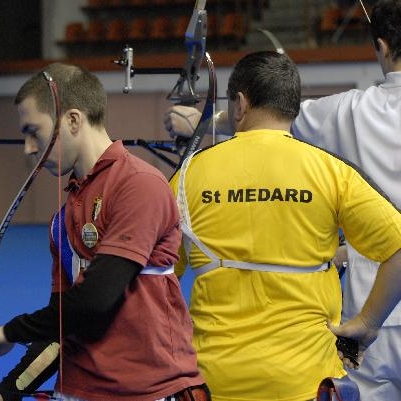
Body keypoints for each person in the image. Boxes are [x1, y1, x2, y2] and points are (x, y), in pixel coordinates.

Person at [164, 1, 401, 398]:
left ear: (380, 45)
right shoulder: (330, 166)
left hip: (371, 305)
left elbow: (275, 114)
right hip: (369, 298)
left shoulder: (349, 110)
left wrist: (202, 118)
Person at [0, 62, 209, 401]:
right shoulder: (64, 216)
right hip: (77, 390)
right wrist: (6, 392)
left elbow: (94, 301)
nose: (29, 148)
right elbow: (64, 324)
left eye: (34, 131)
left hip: (149, 391)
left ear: (73, 120)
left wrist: (8, 331)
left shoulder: (138, 185)